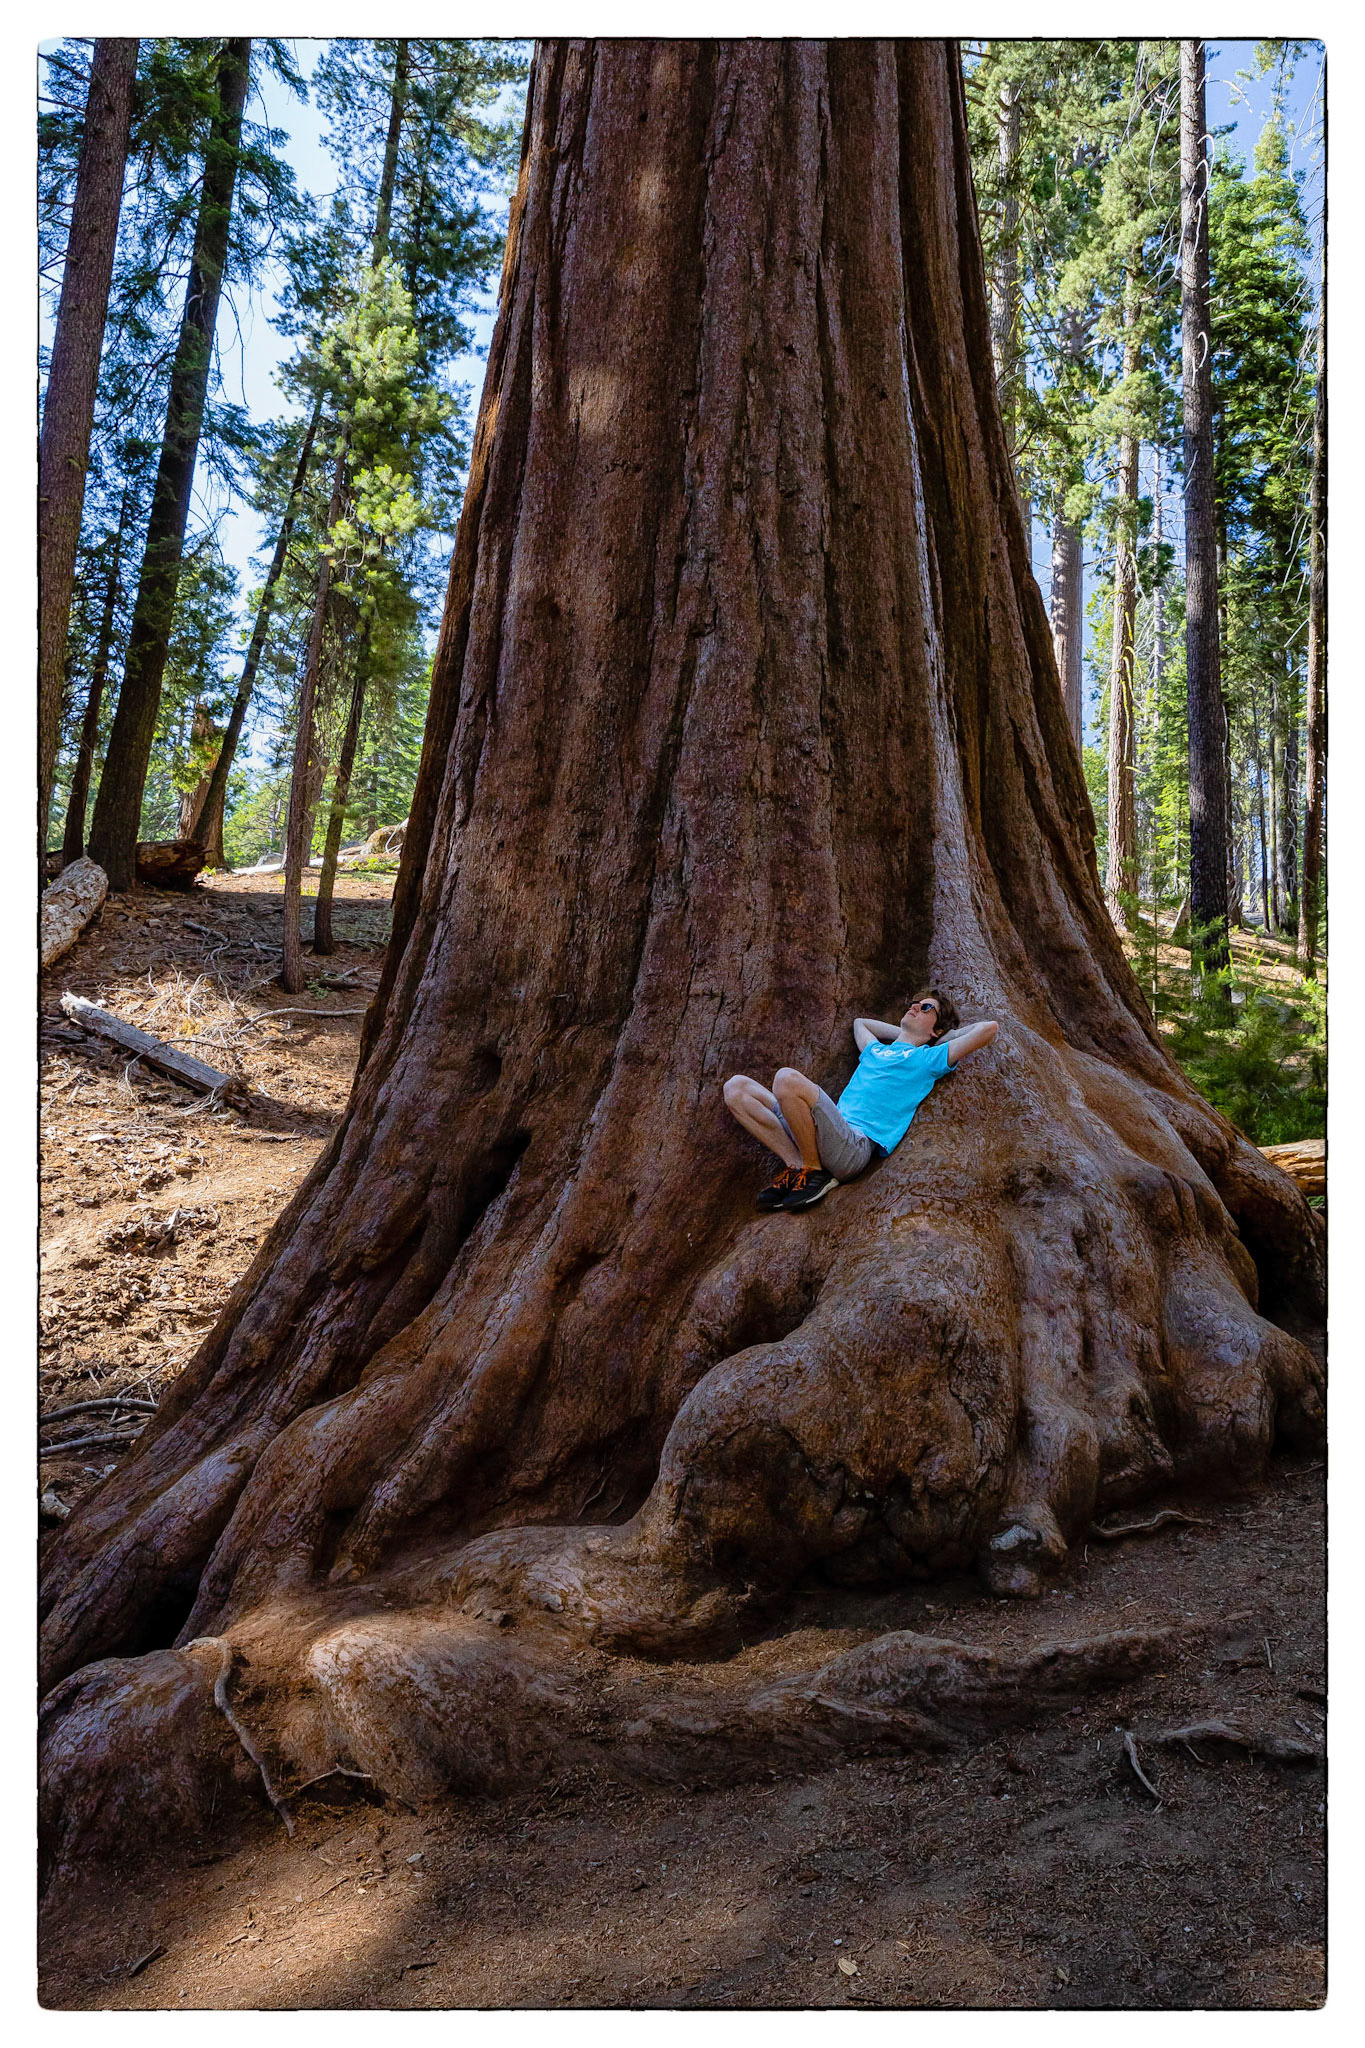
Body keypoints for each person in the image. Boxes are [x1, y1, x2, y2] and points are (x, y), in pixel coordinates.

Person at [722, 992, 999, 1211]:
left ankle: (814, 1172)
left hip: (852, 1146)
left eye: (926, 1008)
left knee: (786, 1078)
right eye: (914, 1004)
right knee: (736, 1088)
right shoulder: (875, 1050)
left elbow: (989, 1029)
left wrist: (944, 1038)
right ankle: (798, 1167)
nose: (915, 1007)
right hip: (822, 1133)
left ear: (936, 1030)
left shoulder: (927, 1059)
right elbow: (860, 1023)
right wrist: (904, 1034)